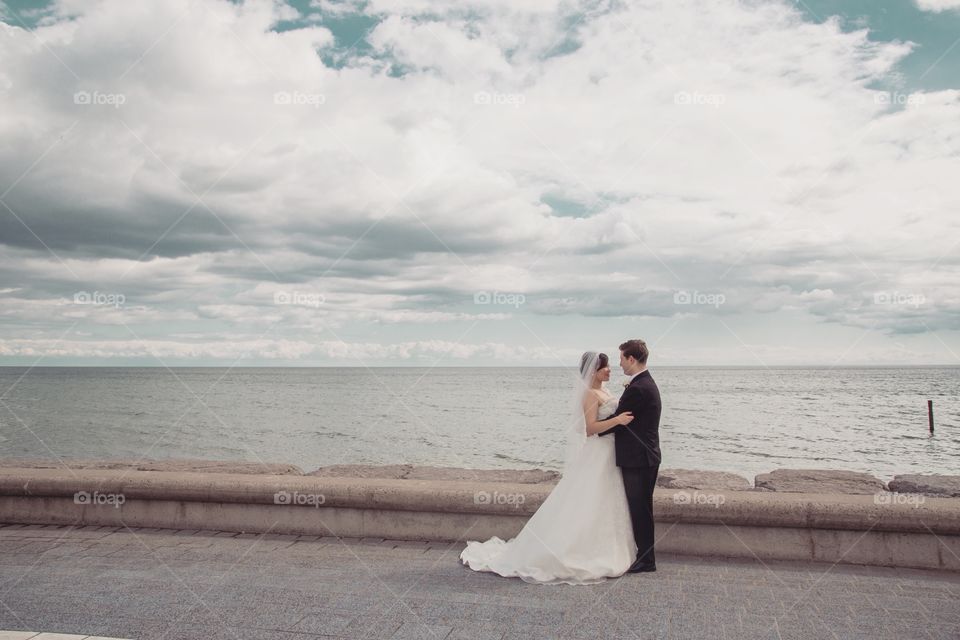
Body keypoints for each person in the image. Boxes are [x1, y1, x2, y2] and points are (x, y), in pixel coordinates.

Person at [459, 352, 637, 584]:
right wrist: (617, 420)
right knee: (589, 500)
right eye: (605, 367)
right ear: (594, 371)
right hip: (597, 453)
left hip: (610, 453)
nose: (610, 370)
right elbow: (590, 428)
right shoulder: (590, 395)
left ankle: (609, 548)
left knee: (606, 501)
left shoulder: (607, 392)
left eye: (610, 366)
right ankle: (575, 551)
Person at [598, 339, 662, 572]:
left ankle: (646, 560)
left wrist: (592, 428)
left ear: (631, 359)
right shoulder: (644, 382)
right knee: (641, 507)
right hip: (645, 456)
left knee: (640, 509)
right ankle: (645, 556)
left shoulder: (637, 388)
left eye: (621, 358)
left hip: (638, 459)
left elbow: (620, 422)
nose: (620, 364)